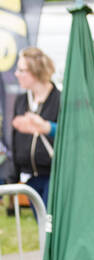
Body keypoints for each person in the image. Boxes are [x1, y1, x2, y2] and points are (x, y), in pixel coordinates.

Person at [11, 47, 60, 211]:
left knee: (50, 223)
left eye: (21, 70)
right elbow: (15, 140)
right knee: (41, 223)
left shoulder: (59, 99)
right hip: (30, 176)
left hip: (53, 176)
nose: (17, 74)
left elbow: (68, 135)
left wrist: (42, 126)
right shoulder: (21, 100)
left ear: (36, 71)